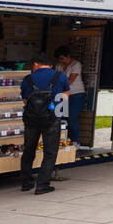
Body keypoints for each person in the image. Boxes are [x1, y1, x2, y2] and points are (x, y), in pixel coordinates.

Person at [19, 54, 69, 195]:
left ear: (36, 64)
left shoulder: (28, 79)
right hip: (52, 119)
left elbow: (24, 100)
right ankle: (42, 185)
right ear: (50, 66)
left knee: (29, 150)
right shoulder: (60, 76)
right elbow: (65, 96)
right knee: (50, 152)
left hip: (31, 120)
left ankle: (26, 182)